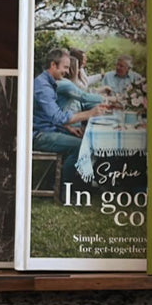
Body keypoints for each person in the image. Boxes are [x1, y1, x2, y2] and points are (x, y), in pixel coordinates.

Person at [33, 48, 110, 197]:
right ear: (53, 65)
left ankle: (85, 183)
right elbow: (58, 117)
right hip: (38, 135)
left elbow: (51, 115)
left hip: (49, 128)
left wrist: (68, 128)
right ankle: (66, 192)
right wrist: (90, 113)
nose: (68, 72)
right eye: (65, 67)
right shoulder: (43, 86)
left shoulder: (49, 81)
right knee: (80, 146)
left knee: (87, 140)